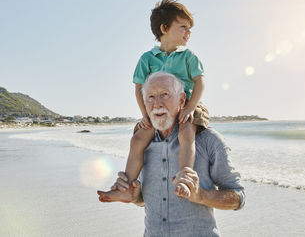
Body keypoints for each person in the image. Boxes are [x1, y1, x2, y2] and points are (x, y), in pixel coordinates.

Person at [97, 72, 245, 236]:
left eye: (165, 95)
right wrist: (134, 196)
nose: (157, 104)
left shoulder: (209, 140)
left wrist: (201, 195)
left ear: (182, 100)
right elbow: (143, 201)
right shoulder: (141, 144)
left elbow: (238, 198)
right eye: (151, 97)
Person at [99, 0, 208, 200]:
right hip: (157, 109)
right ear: (164, 29)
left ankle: (185, 177)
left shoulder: (188, 57)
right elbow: (139, 88)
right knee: (138, 139)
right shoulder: (147, 59)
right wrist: (145, 115)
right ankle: (125, 188)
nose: (188, 32)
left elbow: (200, 83)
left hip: (188, 105)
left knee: (186, 133)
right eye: (183, 27)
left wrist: (190, 108)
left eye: (190, 29)